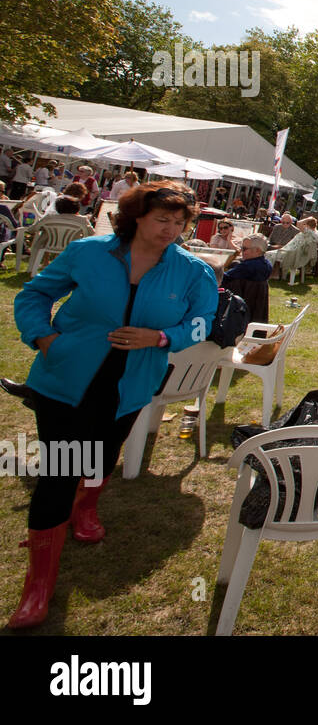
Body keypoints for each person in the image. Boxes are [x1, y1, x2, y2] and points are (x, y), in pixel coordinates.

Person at [3, 180, 217, 629]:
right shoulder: (90, 251)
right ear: (136, 215)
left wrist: (161, 338)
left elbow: (201, 324)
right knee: (59, 474)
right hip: (64, 379)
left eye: (180, 222)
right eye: (162, 219)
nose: (171, 230)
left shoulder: (194, 271)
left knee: (100, 455)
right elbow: (34, 293)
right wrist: (44, 338)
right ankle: (38, 586)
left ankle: (87, 507)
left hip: (130, 387)